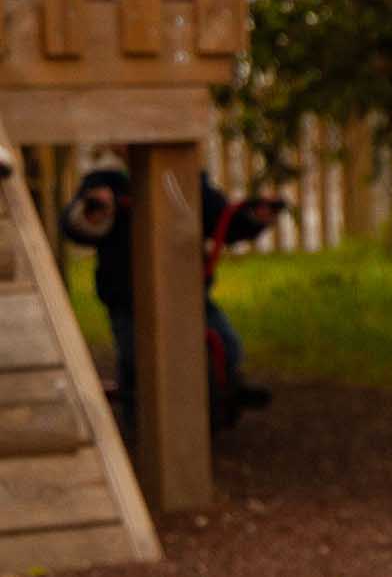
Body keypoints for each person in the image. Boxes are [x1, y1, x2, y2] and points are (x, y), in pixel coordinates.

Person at [58, 162, 285, 442]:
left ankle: (226, 391)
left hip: (186, 293)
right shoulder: (106, 183)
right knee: (138, 358)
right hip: (129, 299)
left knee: (226, 344)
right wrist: (96, 211)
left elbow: (222, 221)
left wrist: (253, 217)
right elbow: (77, 224)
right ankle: (139, 415)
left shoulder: (186, 180)